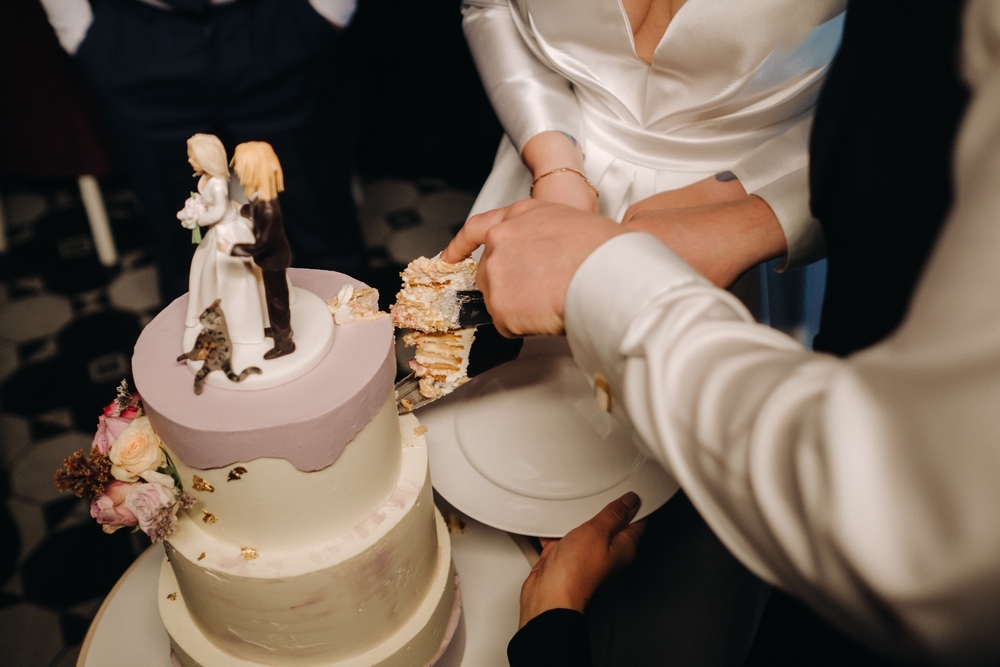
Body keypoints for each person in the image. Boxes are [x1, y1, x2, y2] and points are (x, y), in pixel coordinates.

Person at [444, 0, 1000, 663]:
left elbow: (913, 113)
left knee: (679, 583)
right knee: (480, 538)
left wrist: (762, 217)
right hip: (540, 196)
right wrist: (555, 163)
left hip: (725, 229)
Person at [40, 0, 366, 304]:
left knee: (326, 227)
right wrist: (79, 31)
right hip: (136, 34)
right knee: (185, 253)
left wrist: (330, 10)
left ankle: (364, 349)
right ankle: (202, 358)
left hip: (274, 23)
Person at [178, 134, 264, 346]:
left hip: (227, 231)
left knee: (230, 273)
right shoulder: (205, 178)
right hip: (215, 231)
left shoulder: (218, 184)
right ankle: (207, 309)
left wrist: (197, 217)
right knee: (203, 267)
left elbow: (218, 211)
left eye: (194, 157)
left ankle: (240, 321)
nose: (190, 161)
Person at [230, 142, 295, 360]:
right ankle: (279, 330)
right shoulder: (260, 200)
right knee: (273, 299)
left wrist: (238, 248)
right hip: (269, 259)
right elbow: (254, 211)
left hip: (273, 259)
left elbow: (265, 241)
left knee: (277, 301)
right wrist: (243, 210)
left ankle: (284, 342)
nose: (237, 171)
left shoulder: (268, 207)